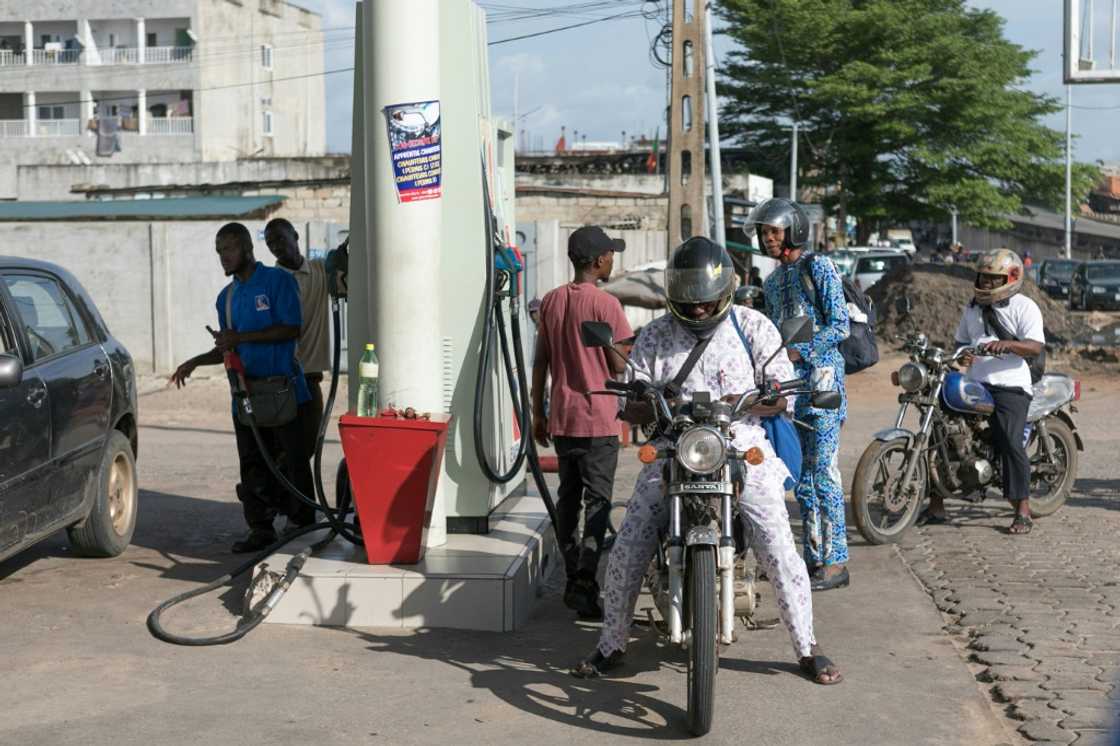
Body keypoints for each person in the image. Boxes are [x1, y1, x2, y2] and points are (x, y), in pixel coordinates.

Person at [571, 237, 841, 685]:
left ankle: (807, 647)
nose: (698, 311)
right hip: (675, 447)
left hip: (740, 444)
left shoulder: (753, 327)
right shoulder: (655, 336)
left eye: (706, 302)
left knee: (779, 545)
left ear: (726, 291)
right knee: (628, 545)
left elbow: (779, 390)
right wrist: (644, 400)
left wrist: (759, 396)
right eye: (689, 303)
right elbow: (633, 403)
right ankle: (610, 644)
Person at [171, 222, 316, 553]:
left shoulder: (279, 281)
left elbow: (291, 329)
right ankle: (260, 528)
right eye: (219, 251)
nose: (224, 257)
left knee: (292, 462)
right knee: (252, 464)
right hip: (245, 395)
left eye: (229, 249)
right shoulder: (227, 298)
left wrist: (242, 338)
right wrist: (195, 361)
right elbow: (228, 346)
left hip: (283, 390)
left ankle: (302, 524)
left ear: (248, 248)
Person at [532, 226, 633, 619]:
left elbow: (541, 360)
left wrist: (537, 413)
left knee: (567, 500)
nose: (613, 259)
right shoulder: (607, 305)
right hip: (598, 419)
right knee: (598, 503)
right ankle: (586, 584)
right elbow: (617, 365)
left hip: (561, 417)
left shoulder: (553, 302)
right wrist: (627, 349)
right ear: (598, 261)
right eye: (611, 254)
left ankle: (574, 574)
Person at [752, 198, 852, 592]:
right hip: (790, 390)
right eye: (764, 232)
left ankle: (837, 561)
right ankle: (815, 558)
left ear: (793, 230)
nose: (768, 238)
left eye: (774, 231)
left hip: (824, 385)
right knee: (802, 479)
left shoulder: (820, 267)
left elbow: (839, 326)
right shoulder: (773, 282)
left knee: (824, 473)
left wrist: (801, 351)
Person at [921, 249, 1044, 535]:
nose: (986, 284)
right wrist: (961, 357)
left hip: (1011, 385)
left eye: (993, 279)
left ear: (1011, 278)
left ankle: (1022, 510)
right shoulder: (972, 308)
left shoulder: (1025, 307)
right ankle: (936, 505)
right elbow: (962, 342)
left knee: (1009, 440)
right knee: (940, 432)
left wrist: (1009, 345)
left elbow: (1035, 346)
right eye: (983, 278)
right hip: (977, 384)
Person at [263, 218, 340, 461]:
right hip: (280, 383)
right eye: (270, 242)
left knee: (307, 449)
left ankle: (292, 497)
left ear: (295, 236)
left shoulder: (320, 271)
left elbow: (348, 268)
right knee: (285, 451)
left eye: (280, 238)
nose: (275, 246)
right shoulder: (270, 282)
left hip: (309, 379)